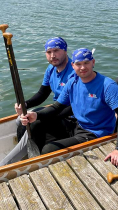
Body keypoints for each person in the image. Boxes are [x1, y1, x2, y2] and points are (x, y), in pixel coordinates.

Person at [20, 48, 118, 166]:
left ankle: (46, 162)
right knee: (36, 125)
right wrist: (36, 115)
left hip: (94, 132)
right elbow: (57, 107)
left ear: (93, 62)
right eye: (78, 64)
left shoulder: (107, 85)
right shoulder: (72, 82)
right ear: (73, 65)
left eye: (86, 63)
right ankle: (39, 161)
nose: (82, 67)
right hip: (77, 125)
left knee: (49, 149)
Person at [0, 37, 74, 166]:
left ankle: (6, 165)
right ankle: (27, 152)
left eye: (56, 51)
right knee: (20, 119)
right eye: (49, 52)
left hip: (70, 116)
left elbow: (72, 107)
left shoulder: (74, 73)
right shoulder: (51, 69)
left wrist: (41, 116)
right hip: (55, 110)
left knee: (33, 123)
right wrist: (25, 105)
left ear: (65, 51)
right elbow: (42, 94)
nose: (52, 56)